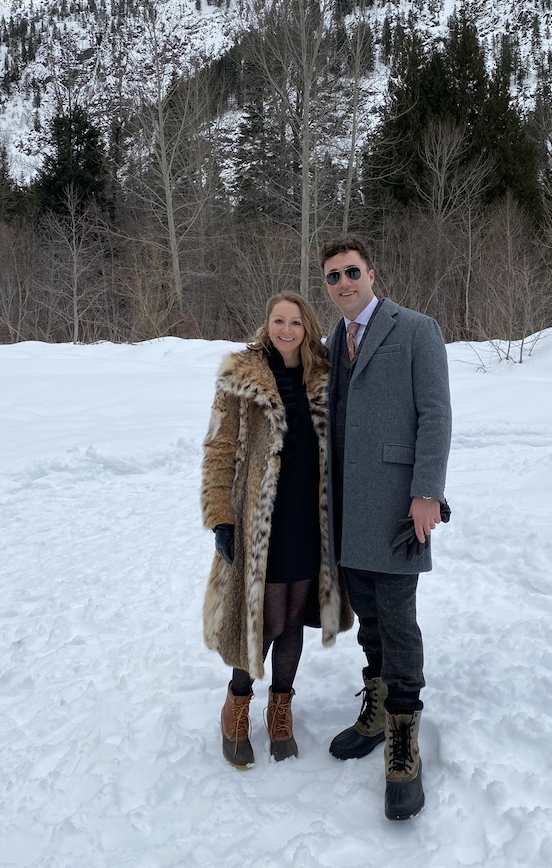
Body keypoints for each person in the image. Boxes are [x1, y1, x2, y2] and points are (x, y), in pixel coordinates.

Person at [320, 237, 451, 820]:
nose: (343, 283)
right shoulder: (333, 341)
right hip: (348, 508)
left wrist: (428, 493)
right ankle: (375, 710)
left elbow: (436, 414)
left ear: (372, 274)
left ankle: (403, 739)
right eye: (333, 276)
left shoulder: (416, 330)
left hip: (399, 505)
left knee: (398, 620)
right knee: (369, 615)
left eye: (351, 272)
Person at [201, 291, 353, 768]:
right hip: (259, 519)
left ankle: (281, 708)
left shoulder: (324, 374)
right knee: (264, 618)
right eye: (279, 321)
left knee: (293, 617)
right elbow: (219, 449)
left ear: (307, 327)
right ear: (267, 324)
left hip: (309, 516)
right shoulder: (241, 377)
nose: (287, 330)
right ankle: (237, 705)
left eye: (295, 322)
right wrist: (220, 516)